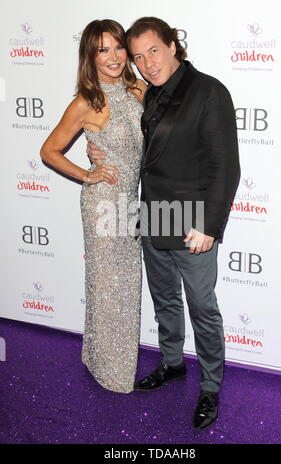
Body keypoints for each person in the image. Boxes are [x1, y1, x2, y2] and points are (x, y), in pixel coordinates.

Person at [88, 16, 240, 430]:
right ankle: (172, 363)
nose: (147, 63)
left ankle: (210, 386)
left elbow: (224, 167)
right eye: (138, 57)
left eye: (153, 51)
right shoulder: (148, 94)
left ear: (173, 45)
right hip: (152, 216)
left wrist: (209, 225)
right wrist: (97, 154)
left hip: (192, 223)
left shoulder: (209, 92)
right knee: (165, 301)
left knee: (203, 308)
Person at [40, 19, 147, 394]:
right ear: (90, 56)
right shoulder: (87, 101)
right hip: (102, 204)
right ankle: (108, 367)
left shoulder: (139, 89)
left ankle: (106, 357)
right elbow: (49, 151)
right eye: (103, 50)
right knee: (106, 286)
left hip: (131, 204)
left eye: (118, 47)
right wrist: (88, 174)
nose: (114, 57)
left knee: (128, 284)